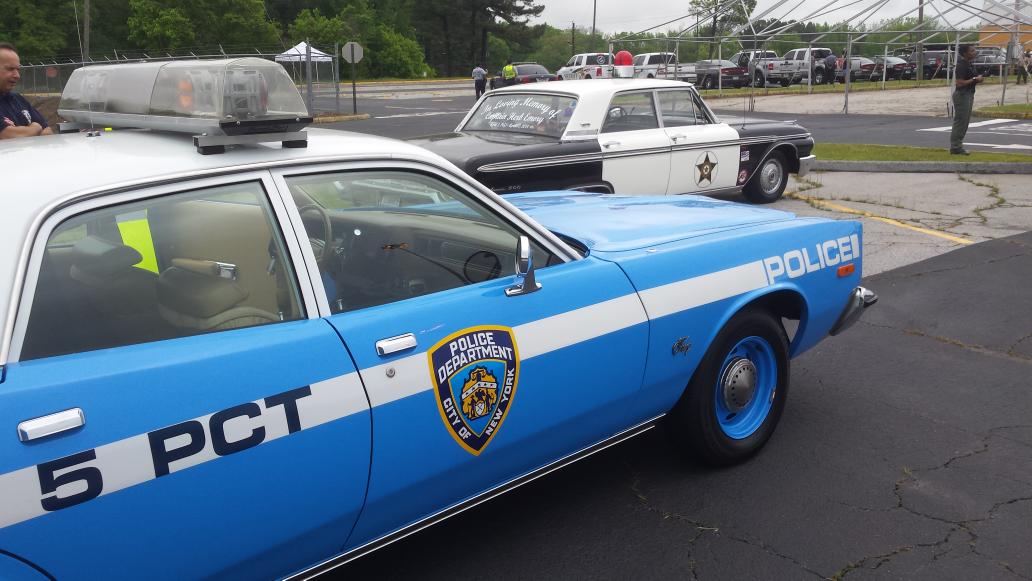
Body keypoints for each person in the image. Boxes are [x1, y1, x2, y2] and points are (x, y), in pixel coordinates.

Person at [0, 42, 52, 139]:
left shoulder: (18, 99)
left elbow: (47, 131)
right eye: (10, 69)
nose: (17, 75)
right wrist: (35, 128)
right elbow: (7, 135)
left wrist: (25, 132)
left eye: (18, 69)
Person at [950, 44, 984, 156]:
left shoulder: (969, 64)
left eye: (975, 50)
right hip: (962, 95)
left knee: (965, 122)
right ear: (965, 53)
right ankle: (955, 147)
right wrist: (975, 79)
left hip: (969, 94)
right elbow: (959, 83)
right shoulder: (961, 65)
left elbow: (971, 79)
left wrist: (978, 78)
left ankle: (958, 146)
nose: (974, 52)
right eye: (972, 50)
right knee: (961, 122)